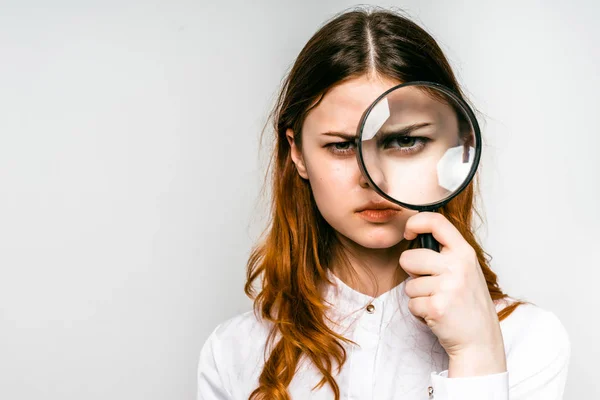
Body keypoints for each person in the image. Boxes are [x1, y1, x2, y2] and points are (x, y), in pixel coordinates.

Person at [197, 7, 570, 400]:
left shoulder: (527, 340)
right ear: (298, 153)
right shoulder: (232, 353)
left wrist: (477, 355)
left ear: (454, 148)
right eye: (341, 145)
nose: (373, 178)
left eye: (405, 141)